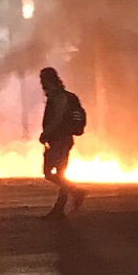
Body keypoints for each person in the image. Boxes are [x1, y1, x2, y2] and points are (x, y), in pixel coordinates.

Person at [38, 67, 86, 220]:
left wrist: (46, 133)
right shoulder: (57, 96)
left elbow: (58, 119)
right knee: (58, 173)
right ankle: (67, 201)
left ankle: (71, 197)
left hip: (61, 140)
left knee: (51, 172)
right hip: (59, 140)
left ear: (49, 80)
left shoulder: (60, 97)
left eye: (43, 80)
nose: (42, 84)